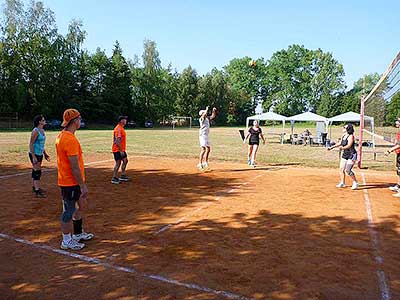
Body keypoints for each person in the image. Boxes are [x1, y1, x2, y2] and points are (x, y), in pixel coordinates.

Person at [56, 108, 94, 250]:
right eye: (79, 118)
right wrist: (82, 185)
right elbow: (74, 166)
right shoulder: (69, 139)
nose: (80, 121)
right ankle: (66, 240)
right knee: (68, 211)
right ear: (74, 121)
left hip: (73, 181)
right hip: (69, 182)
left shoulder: (63, 135)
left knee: (82, 206)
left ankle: (77, 234)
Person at [328, 124, 359, 190]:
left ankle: (355, 182)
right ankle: (342, 182)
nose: (343, 128)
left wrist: (342, 148)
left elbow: (349, 145)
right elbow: (340, 143)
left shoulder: (351, 136)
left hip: (351, 154)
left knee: (348, 170)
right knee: (341, 169)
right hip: (345, 154)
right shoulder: (344, 135)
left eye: (344, 127)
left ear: (348, 129)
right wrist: (332, 147)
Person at [29, 114, 50, 198]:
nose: (44, 121)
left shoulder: (42, 130)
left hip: (40, 153)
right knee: (37, 171)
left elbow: (41, 144)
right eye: (43, 120)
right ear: (39, 121)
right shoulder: (35, 131)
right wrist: (33, 156)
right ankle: (37, 191)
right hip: (35, 153)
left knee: (36, 170)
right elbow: (31, 144)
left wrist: (45, 153)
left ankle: (35, 187)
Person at [198, 106, 217, 171]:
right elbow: (204, 115)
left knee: (208, 149)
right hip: (202, 135)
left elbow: (213, 116)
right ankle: (200, 164)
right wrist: (206, 109)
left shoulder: (207, 118)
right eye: (204, 113)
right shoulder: (201, 119)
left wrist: (213, 111)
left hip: (206, 135)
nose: (205, 113)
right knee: (203, 149)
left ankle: (205, 162)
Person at [384, 117, 400, 197]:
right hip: (398, 154)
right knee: (399, 171)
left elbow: (399, 145)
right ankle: (398, 186)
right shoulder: (398, 132)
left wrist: (389, 150)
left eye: (398, 121)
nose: (396, 122)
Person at [111, 116, 129, 184]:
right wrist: (121, 150)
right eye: (124, 119)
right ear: (121, 121)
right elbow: (117, 141)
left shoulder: (121, 128)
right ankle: (114, 178)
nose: (126, 120)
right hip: (117, 149)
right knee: (118, 163)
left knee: (125, 161)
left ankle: (122, 175)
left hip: (121, 149)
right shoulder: (118, 129)